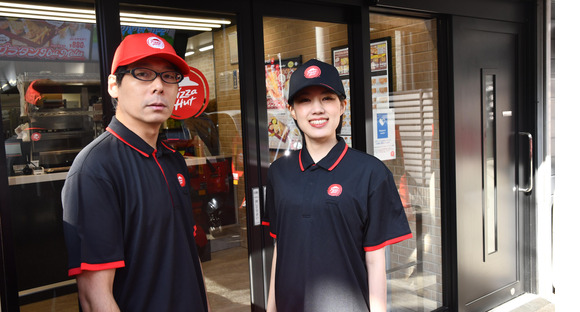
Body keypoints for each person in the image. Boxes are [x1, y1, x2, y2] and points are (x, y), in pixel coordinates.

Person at [62, 33, 209, 311]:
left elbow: (189, 255)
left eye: (169, 76)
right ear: (113, 86)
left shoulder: (173, 160)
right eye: (142, 74)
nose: (158, 87)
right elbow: (95, 298)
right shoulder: (95, 169)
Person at [263, 59, 413, 312]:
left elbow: (375, 261)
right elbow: (281, 247)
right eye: (304, 100)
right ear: (292, 110)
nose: (317, 109)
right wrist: (270, 308)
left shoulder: (371, 173)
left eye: (327, 98)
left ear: (343, 106)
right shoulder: (279, 173)